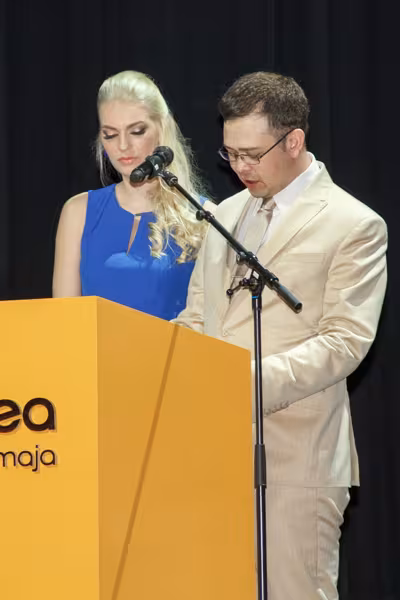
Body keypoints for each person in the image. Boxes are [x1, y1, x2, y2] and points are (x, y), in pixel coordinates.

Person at [173, 72, 387, 599]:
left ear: (294, 141)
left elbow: (344, 342)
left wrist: (240, 383)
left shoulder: (354, 223)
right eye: (230, 155)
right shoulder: (223, 216)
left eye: (251, 154)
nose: (240, 168)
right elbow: (198, 316)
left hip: (299, 458)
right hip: (211, 452)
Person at [53, 70, 209, 320]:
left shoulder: (203, 216)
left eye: (136, 131)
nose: (123, 145)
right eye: (110, 134)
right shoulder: (78, 212)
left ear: (163, 128)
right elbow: (64, 319)